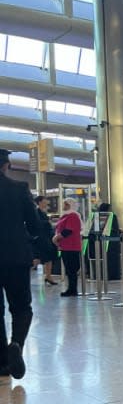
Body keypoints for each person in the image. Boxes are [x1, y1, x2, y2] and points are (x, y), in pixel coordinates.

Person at [0, 149, 40, 381]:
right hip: (16, 257)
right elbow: (34, 225)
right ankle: (16, 344)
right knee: (21, 306)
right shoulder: (19, 189)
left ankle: (3, 361)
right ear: (6, 166)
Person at [53, 197, 83, 298]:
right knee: (69, 269)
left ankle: (72, 289)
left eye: (66, 204)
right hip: (65, 246)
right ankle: (71, 289)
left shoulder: (73, 216)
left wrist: (56, 238)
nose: (64, 206)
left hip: (71, 247)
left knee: (71, 269)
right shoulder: (65, 216)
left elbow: (68, 231)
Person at [33, 196, 58, 285]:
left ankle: (48, 276)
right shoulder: (36, 212)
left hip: (47, 237)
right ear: (39, 202)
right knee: (41, 257)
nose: (47, 202)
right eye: (44, 200)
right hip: (41, 238)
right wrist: (48, 223)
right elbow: (37, 224)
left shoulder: (43, 212)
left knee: (49, 256)